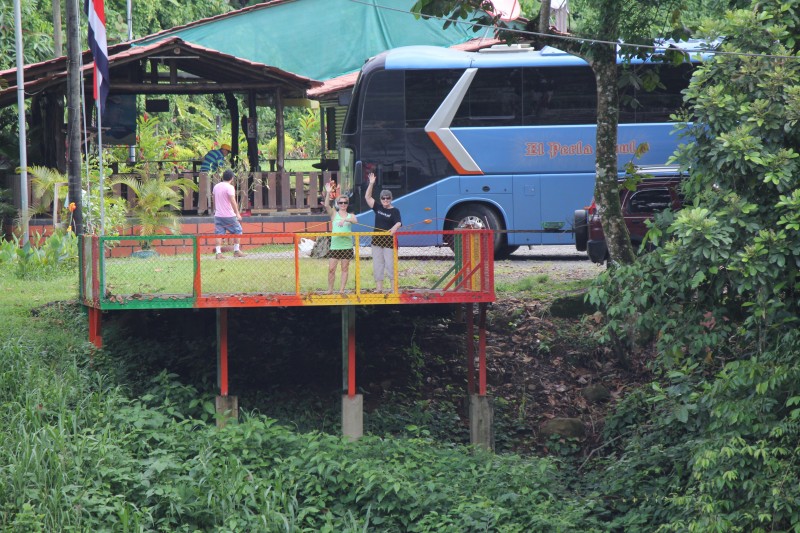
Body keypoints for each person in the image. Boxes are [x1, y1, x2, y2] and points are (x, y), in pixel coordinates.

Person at [364, 172, 402, 292]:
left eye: (388, 198)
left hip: (389, 242)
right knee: (378, 265)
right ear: (380, 199)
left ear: (391, 199)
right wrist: (371, 184)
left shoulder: (395, 211)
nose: (385, 200)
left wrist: (395, 227)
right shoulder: (378, 208)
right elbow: (367, 197)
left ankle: (393, 288)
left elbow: (399, 222)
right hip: (377, 241)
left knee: (391, 265)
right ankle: (379, 288)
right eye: (383, 198)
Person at [324, 181, 356, 293]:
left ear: (347, 204)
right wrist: (328, 193)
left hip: (346, 246)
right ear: (338, 203)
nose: (343, 204)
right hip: (335, 246)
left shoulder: (350, 215)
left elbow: (355, 220)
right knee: (331, 269)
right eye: (341, 202)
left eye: (345, 202)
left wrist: (345, 219)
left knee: (345, 268)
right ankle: (330, 289)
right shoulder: (334, 214)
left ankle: (342, 290)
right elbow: (327, 205)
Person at [212, 169, 246, 259]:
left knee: (219, 234)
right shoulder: (230, 187)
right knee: (238, 230)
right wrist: (237, 213)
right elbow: (233, 201)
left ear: (223, 177)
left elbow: (214, 199)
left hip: (218, 215)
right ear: (231, 178)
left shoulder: (216, 187)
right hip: (229, 215)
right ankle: (236, 250)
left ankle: (218, 253)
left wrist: (216, 209)